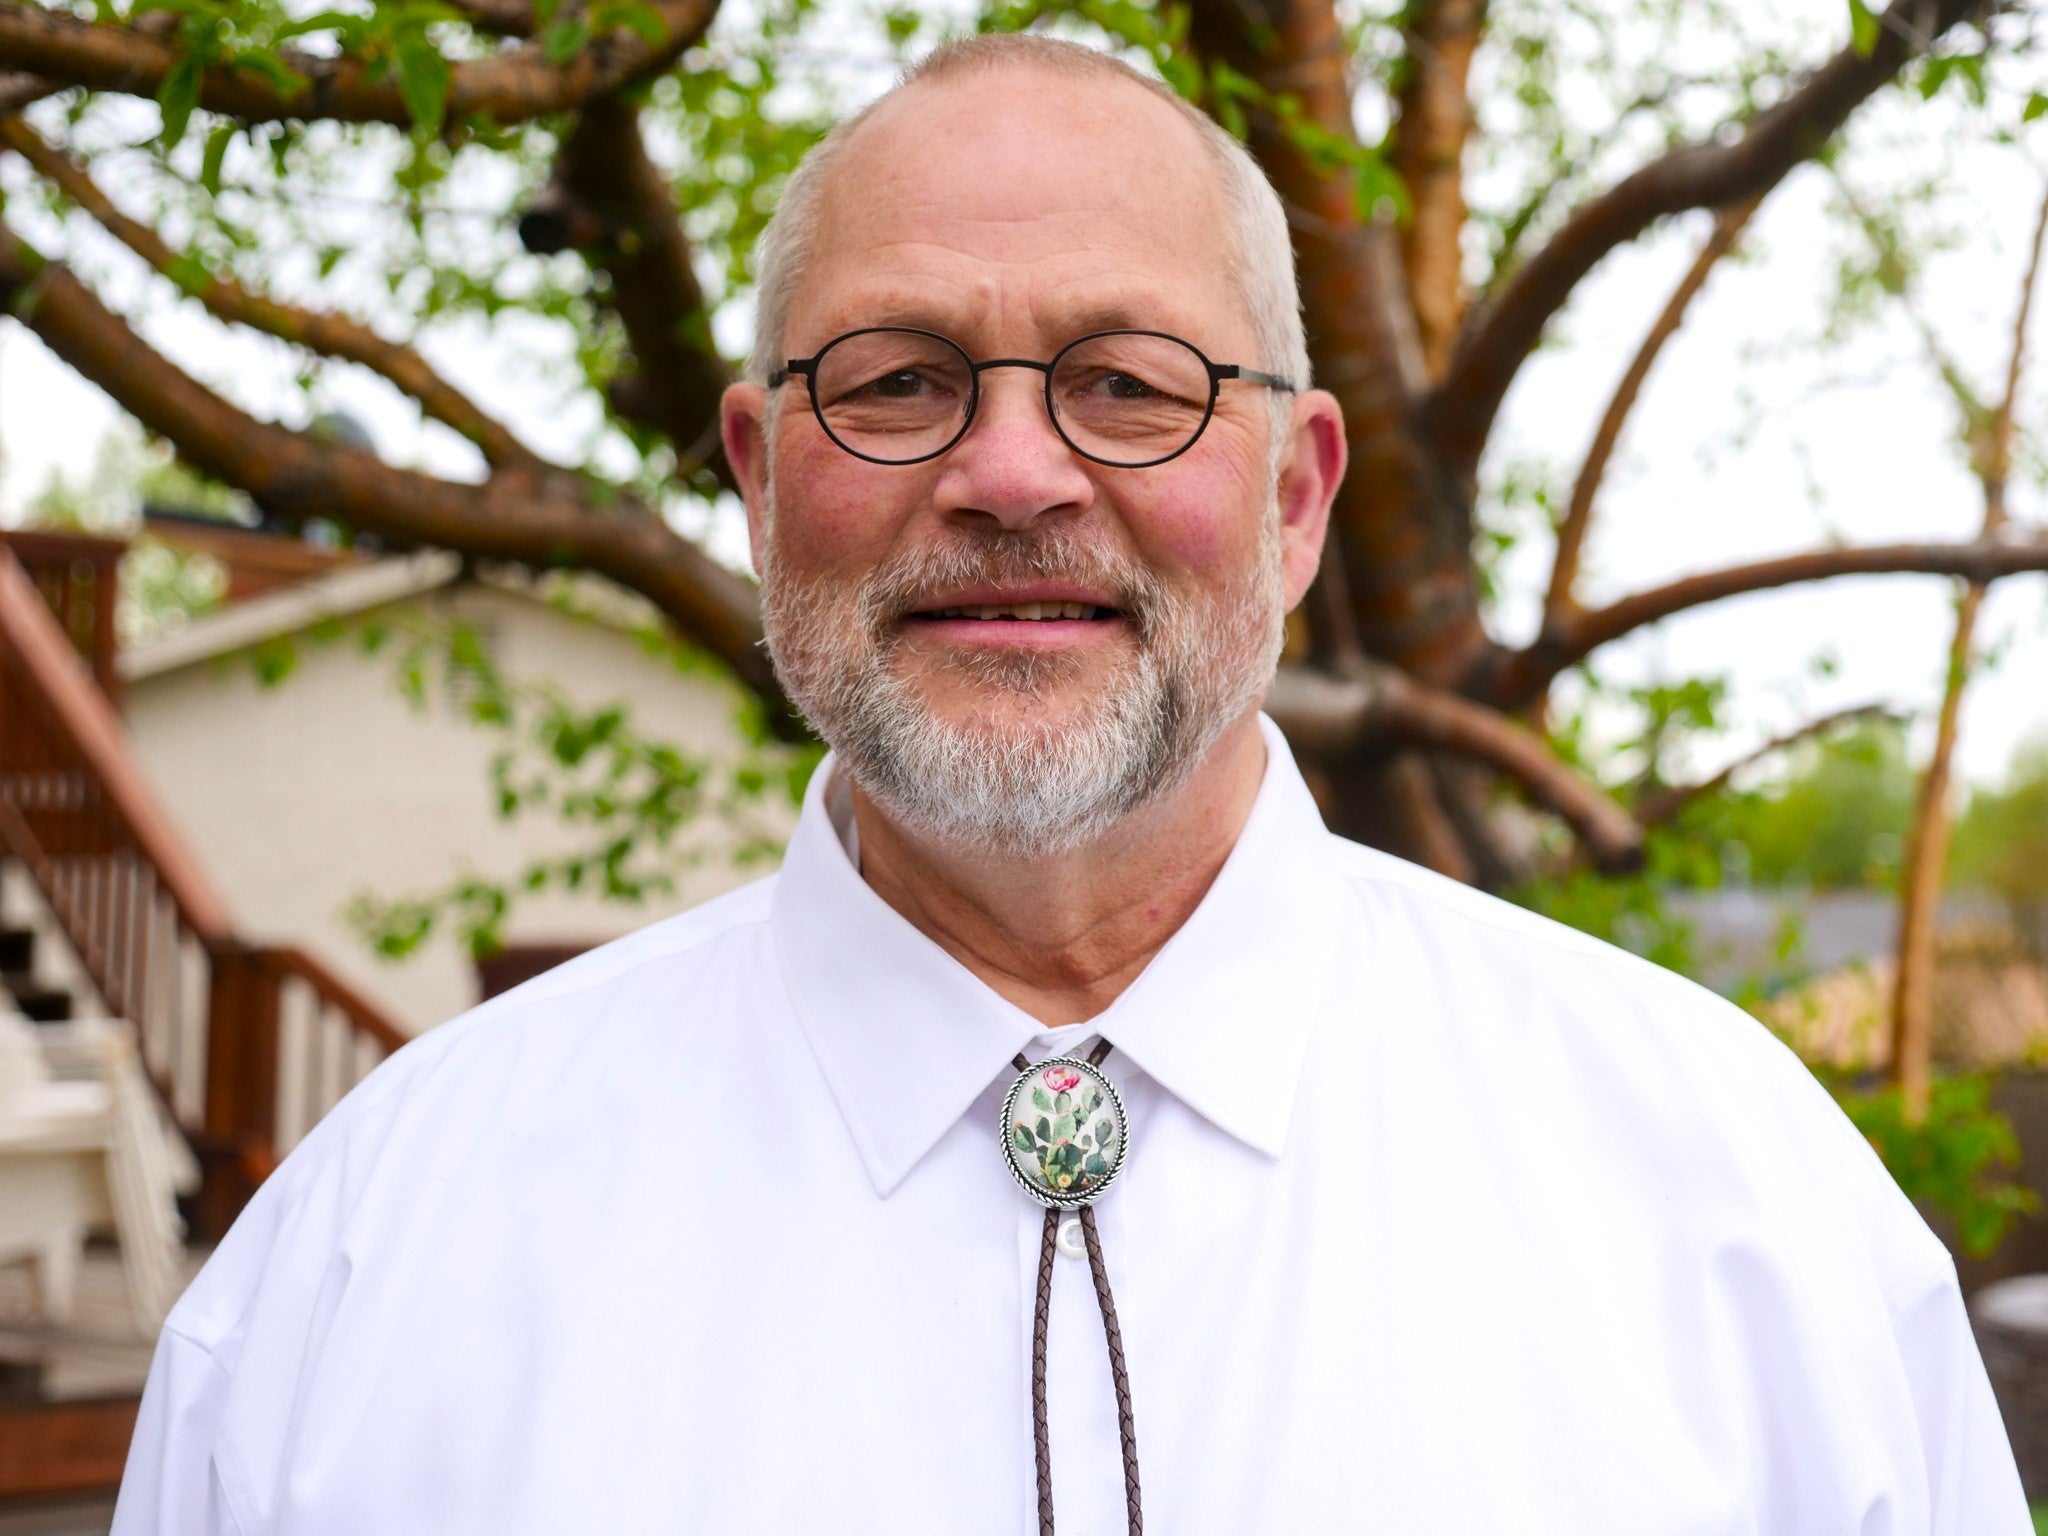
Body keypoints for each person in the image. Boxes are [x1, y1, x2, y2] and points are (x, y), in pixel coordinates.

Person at [113, 34, 2027, 1536]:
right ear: (763, 476)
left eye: (1127, 381)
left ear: (1294, 498)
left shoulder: (1733, 1201)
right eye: (898, 377)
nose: (1014, 473)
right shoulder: (369, 1265)